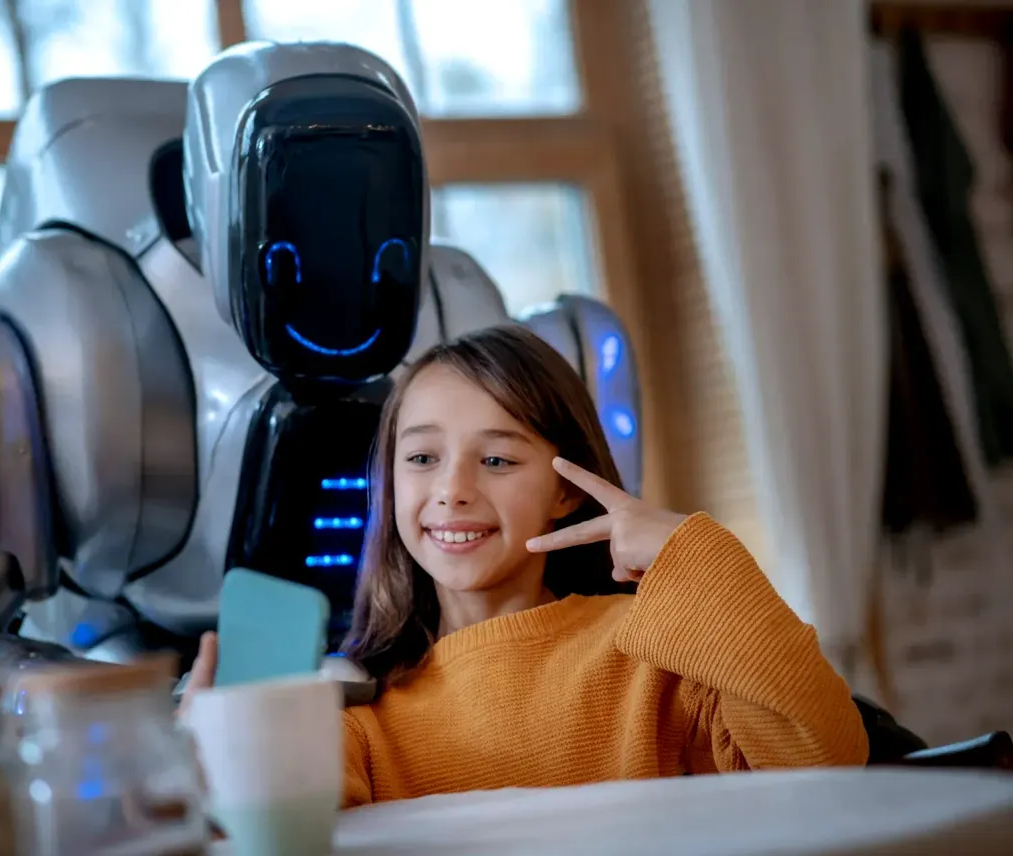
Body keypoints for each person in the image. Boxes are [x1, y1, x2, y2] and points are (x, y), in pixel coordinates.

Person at [181, 324, 869, 809]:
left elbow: (826, 761)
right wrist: (215, 750)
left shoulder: (655, 655)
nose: (452, 489)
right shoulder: (360, 705)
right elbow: (278, 821)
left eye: (498, 460)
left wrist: (694, 554)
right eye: (421, 458)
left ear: (566, 489)